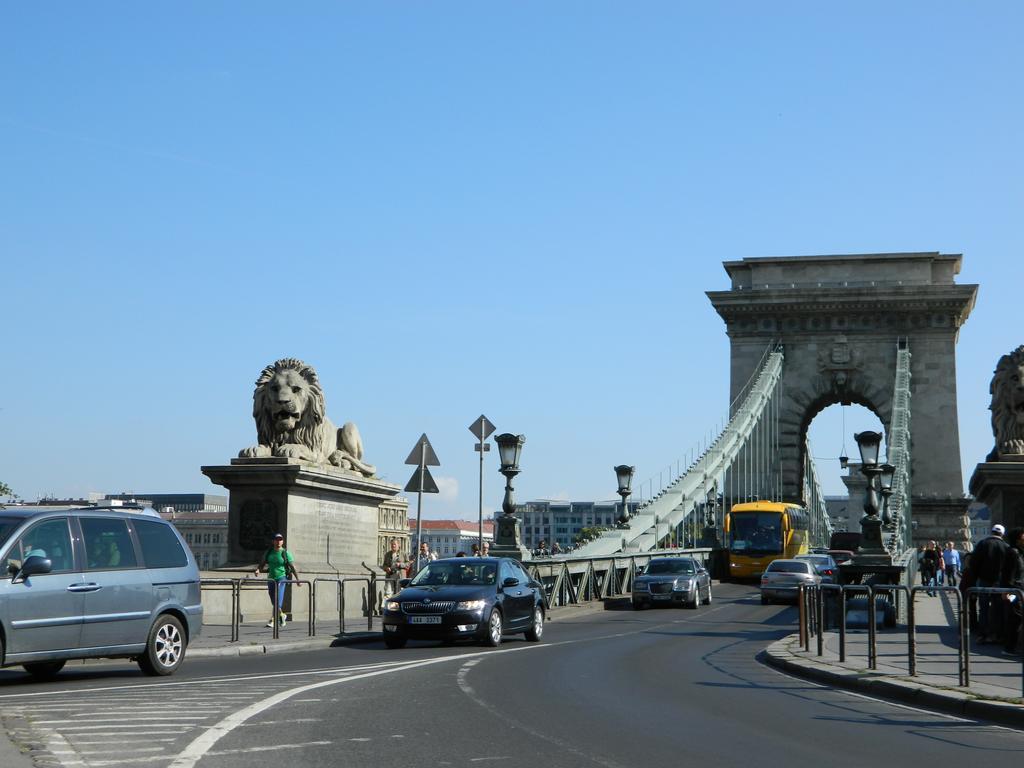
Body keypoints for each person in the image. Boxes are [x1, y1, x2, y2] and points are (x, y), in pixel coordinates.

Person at [968, 524, 1011, 643]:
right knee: (998, 608)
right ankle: (997, 634)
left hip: (983, 581)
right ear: (1002, 534)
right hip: (999, 583)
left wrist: (974, 580)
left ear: (991, 532)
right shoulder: (1006, 547)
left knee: (983, 608)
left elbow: (974, 563)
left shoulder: (982, 544)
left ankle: (983, 634)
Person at [254, 533, 298, 628]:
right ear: (273, 541)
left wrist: (297, 579)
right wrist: (258, 569)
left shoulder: (285, 553)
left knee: (278, 599)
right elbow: (262, 563)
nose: (278, 541)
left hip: (282, 578)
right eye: (276, 539)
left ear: (283, 541)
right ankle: (282, 615)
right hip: (271, 578)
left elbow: (292, 567)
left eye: (280, 539)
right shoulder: (269, 552)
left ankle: (273, 620)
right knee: (273, 599)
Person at [1000, 528, 1024, 655]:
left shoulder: (1018, 552)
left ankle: (1011, 646)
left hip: (1018, 590)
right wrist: (1007, 592)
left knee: (1015, 617)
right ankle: (1009, 647)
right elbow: (1007, 574)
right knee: (1015, 617)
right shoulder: (1013, 553)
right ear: (1018, 538)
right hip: (1013, 592)